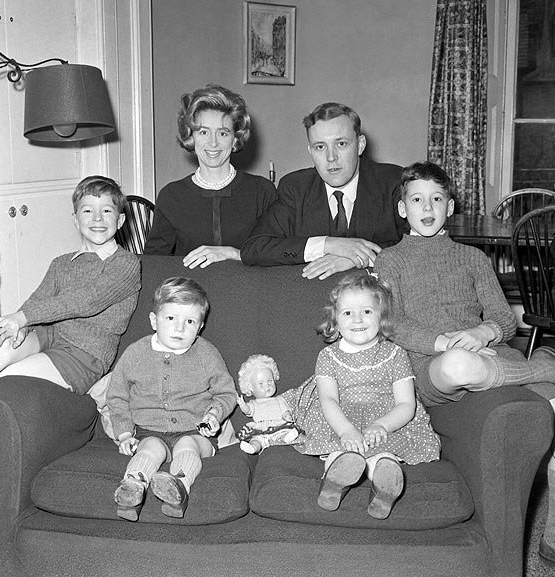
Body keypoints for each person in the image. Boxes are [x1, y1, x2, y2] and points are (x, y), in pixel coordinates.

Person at [0, 175, 142, 531]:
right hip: (50, 335)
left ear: (120, 220)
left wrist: (25, 317)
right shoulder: (63, 262)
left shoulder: (125, 265)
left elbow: (85, 301)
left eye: (107, 210)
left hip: (83, 355)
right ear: (75, 219)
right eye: (87, 210)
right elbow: (37, 302)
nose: (97, 218)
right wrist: (14, 324)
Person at [373, 161, 555, 556]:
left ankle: (553, 533)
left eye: (437, 198)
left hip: (490, 355)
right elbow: (391, 324)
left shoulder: (473, 258)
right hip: (431, 365)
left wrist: (482, 332)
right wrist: (442, 342)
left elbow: (505, 318)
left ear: (450, 207)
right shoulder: (390, 260)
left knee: (553, 403)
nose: (427, 207)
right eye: (417, 199)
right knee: (458, 364)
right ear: (402, 209)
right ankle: (544, 364)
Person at [289, 270, 439, 518]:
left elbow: (405, 404)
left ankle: (383, 486)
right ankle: (333, 482)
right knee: (342, 452)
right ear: (335, 320)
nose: (357, 319)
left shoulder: (395, 354)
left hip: (386, 420)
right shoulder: (328, 356)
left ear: (382, 317)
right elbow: (328, 399)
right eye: (348, 313)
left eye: (367, 311)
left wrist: (382, 425)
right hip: (341, 417)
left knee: (383, 454)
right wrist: (345, 429)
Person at [107, 277, 237, 521]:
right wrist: (124, 433)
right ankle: (132, 489)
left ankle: (178, 488)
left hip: (196, 432)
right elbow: (117, 395)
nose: (179, 328)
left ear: (200, 327)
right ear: (154, 321)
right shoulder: (135, 353)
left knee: (187, 446)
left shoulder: (206, 353)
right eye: (170, 319)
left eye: (189, 321)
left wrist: (214, 414)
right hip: (148, 430)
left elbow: (226, 392)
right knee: (149, 449)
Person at [240, 102, 408, 280]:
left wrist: (360, 257)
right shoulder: (296, 188)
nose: (331, 157)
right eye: (320, 147)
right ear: (310, 151)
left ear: (360, 145)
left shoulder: (393, 181)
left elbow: (424, 242)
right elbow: (254, 248)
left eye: (341, 144)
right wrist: (328, 245)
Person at [144, 84, 277, 268]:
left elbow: (280, 255)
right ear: (191, 137)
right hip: (189, 294)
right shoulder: (171, 196)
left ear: (235, 139)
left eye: (223, 133)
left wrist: (235, 254)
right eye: (204, 132)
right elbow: (154, 263)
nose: (213, 143)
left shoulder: (262, 191)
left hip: (249, 293)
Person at [236, 354, 302, 454]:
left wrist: (287, 415)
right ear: (250, 388)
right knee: (257, 440)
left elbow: (285, 410)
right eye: (261, 384)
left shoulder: (279, 400)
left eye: (270, 381)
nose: (267, 386)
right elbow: (248, 411)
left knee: (285, 432)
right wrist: (242, 405)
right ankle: (253, 447)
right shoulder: (253, 403)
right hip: (261, 430)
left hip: (279, 426)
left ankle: (286, 438)